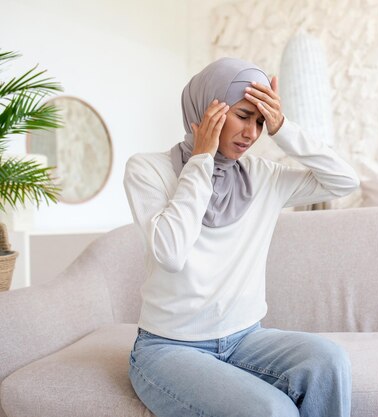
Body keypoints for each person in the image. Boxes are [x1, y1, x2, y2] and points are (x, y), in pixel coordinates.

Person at [123, 57, 359, 417]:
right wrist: (201, 160)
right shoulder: (147, 169)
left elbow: (345, 181)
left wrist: (284, 129)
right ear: (206, 110)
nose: (252, 133)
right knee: (271, 410)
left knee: (329, 362)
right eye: (244, 115)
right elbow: (170, 253)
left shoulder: (262, 176)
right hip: (168, 348)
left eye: (261, 121)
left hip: (246, 339)